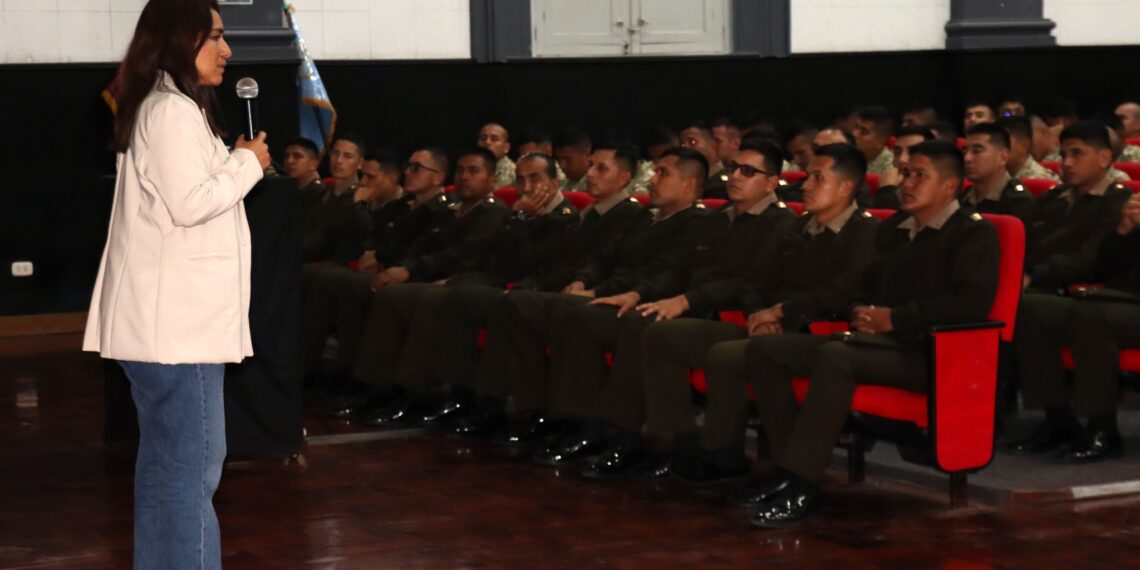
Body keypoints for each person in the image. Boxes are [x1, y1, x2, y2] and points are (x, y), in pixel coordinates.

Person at [83, 1, 271, 567]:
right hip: (176, 332)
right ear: (178, 39)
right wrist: (247, 162)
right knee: (190, 473)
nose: (227, 50)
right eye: (214, 36)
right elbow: (191, 205)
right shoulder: (168, 111)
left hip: (173, 327)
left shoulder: (172, 106)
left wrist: (234, 161)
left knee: (171, 470)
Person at [733, 140, 999, 527]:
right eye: (905, 174)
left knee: (835, 356)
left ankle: (803, 484)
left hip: (928, 352)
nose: (906, 183)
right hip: (875, 343)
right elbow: (862, 286)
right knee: (767, 351)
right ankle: (787, 470)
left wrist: (897, 319)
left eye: (920, 175)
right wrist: (860, 310)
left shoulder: (973, 234)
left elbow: (969, 303)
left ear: (949, 186)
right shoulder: (894, 228)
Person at [960, 122, 1035, 223]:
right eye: (965, 152)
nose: (967, 158)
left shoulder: (1018, 201)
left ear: (1003, 157)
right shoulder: (963, 196)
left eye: (977, 151)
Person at [874, 124, 935, 209]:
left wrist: (887, 191)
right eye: (897, 152)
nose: (902, 159)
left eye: (911, 152)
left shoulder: (937, 193)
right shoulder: (893, 187)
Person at [997, 116, 1059, 181]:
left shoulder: (1040, 179)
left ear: (1024, 145)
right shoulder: (997, 176)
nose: (997, 148)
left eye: (1005, 142)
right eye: (996, 143)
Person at [852, 106, 895, 175]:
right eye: (856, 127)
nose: (854, 134)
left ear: (882, 141)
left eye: (864, 131)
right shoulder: (850, 155)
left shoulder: (892, 167)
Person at [478, 122, 516, 189]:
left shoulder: (511, 171)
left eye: (494, 139)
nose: (487, 142)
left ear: (506, 147)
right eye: (483, 138)